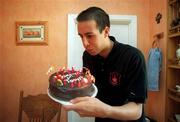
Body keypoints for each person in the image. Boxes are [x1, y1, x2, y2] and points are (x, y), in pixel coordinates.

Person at [64, 6, 147, 122]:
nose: (85, 43)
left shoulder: (133, 57)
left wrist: (106, 111)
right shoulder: (87, 55)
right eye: (81, 36)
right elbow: (88, 86)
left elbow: (136, 111)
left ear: (106, 32)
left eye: (89, 36)